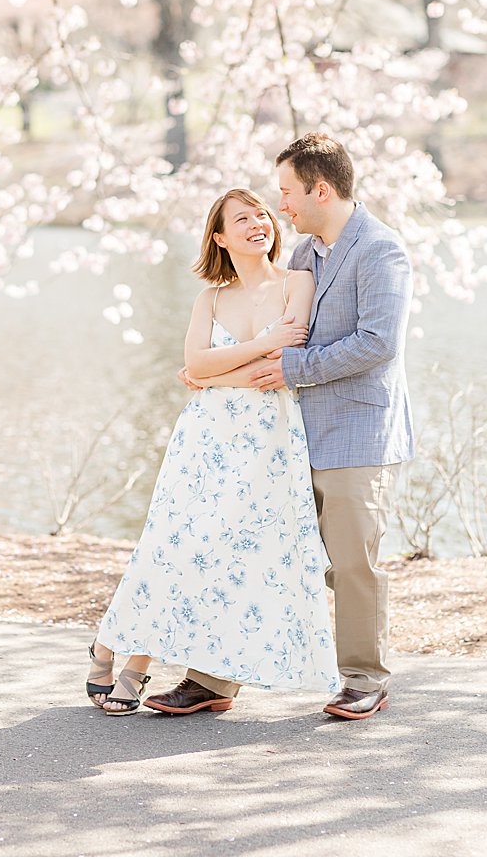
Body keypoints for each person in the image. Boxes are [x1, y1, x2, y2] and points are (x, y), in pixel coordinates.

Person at [149, 133, 412, 720]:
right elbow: (273, 334)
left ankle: (363, 678)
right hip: (286, 435)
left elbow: (377, 343)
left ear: (321, 189)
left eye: (288, 193)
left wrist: (287, 368)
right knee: (249, 545)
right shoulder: (302, 257)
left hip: (356, 433)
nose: (282, 206)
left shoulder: (380, 250)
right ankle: (212, 678)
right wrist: (217, 373)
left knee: (349, 562)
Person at [87, 187, 340, 714]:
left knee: (237, 553)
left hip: (268, 441)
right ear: (220, 238)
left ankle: (155, 660)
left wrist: (217, 370)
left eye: (262, 215)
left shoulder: (300, 282)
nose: (258, 224)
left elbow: (251, 359)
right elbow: (194, 366)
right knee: (172, 542)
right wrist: (246, 358)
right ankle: (123, 649)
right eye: (241, 218)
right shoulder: (212, 297)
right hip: (205, 438)